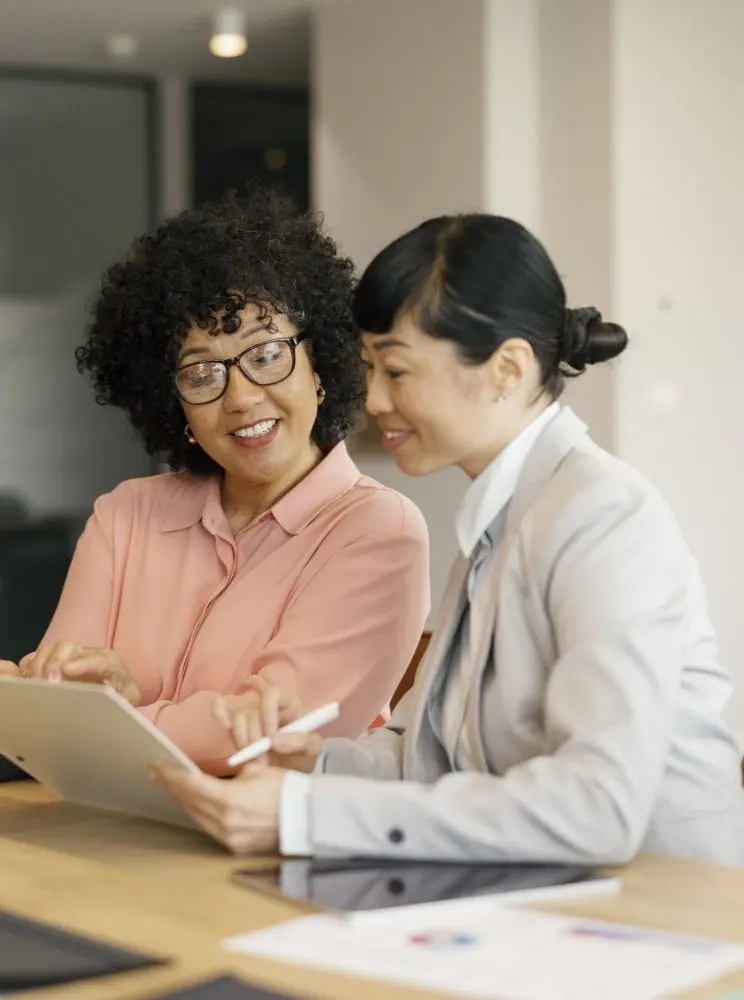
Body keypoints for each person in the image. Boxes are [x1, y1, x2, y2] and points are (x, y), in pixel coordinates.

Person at [154, 211, 744, 866]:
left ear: (507, 368)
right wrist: (314, 763)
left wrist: (308, 812)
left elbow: (597, 805)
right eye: (368, 367)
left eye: (397, 371)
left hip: (669, 919)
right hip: (555, 905)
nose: (373, 400)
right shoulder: (501, 515)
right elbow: (424, 757)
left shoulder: (603, 518)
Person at [0, 190, 430, 774]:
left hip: (261, 848)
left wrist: (113, 718)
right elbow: (54, 710)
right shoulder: (127, 514)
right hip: (100, 833)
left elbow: (265, 739)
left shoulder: (377, 529)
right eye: (202, 372)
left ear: (321, 365)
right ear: (172, 400)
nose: (243, 396)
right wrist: (44, 702)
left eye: (267, 353)